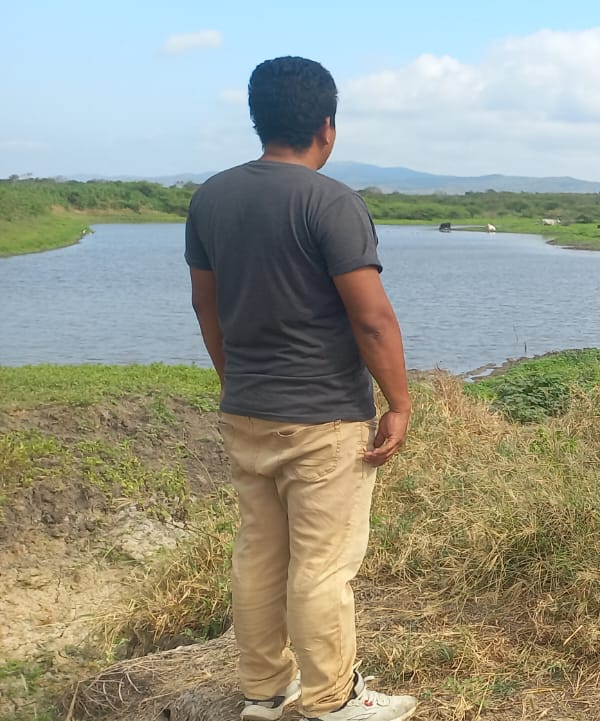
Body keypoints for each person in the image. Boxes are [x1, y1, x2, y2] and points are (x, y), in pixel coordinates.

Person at [185, 56, 418, 721]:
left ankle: (265, 690)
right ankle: (331, 701)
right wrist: (399, 403)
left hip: (247, 411)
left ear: (257, 119)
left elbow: (205, 304)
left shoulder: (211, 198)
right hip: (323, 418)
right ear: (327, 126)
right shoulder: (330, 201)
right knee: (322, 566)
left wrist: (236, 379)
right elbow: (372, 318)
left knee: (259, 554)